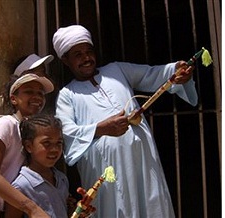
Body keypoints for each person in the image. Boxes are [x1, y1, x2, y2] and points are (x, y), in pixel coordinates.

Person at [52, 25, 198, 218]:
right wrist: (101, 129)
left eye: (89, 52)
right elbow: (66, 132)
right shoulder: (67, 95)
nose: (86, 58)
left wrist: (176, 71)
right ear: (65, 60)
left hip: (143, 161)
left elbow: (153, 74)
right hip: (106, 172)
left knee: (151, 203)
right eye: (78, 54)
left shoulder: (116, 70)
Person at [0, 73, 54, 218]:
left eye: (40, 93)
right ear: (14, 99)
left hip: (13, 209)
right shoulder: (7, 124)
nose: (37, 97)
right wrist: (32, 208)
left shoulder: (32, 132)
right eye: (29, 92)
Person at [0, 54, 54, 135]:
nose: (44, 75)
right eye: (40, 72)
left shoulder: (40, 99)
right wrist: (5, 138)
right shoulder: (10, 100)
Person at [4, 114, 69, 218]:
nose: (55, 149)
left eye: (59, 143)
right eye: (47, 143)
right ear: (29, 146)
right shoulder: (22, 186)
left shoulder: (61, 179)